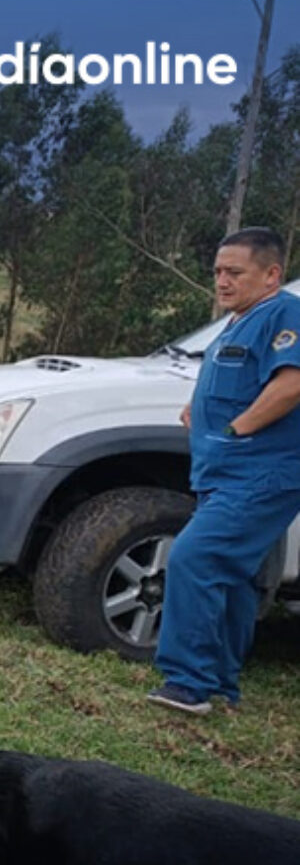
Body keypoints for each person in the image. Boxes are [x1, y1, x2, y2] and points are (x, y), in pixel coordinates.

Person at [151, 228, 300, 715]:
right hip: (220, 474)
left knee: (194, 557)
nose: (222, 281)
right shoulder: (237, 323)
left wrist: (235, 430)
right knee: (232, 576)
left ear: (271, 274)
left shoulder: (285, 314)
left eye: (234, 272)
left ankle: (186, 682)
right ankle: (220, 683)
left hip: (261, 473)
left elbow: (290, 385)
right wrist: (197, 408)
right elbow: (230, 377)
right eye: (217, 271)